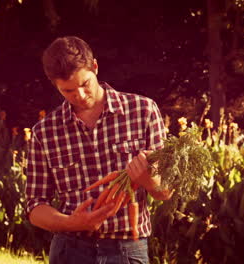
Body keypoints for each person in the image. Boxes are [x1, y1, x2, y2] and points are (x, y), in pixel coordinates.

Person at [25, 36, 171, 264]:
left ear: (94, 66)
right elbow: (35, 206)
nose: (80, 96)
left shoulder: (143, 111)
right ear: (55, 84)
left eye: (84, 84)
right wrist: (70, 223)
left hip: (127, 251)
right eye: (68, 91)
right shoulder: (44, 132)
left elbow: (165, 192)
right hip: (70, 251)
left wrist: (147, 179)